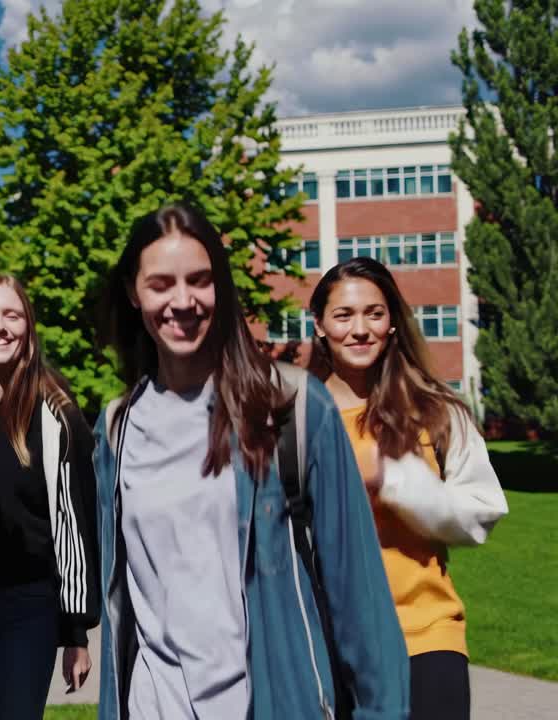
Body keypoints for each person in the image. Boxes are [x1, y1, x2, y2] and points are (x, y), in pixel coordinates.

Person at [93, 202, 409, 719]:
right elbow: (121, 610)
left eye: (200, 279)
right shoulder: (115, 430)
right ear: (133, 292)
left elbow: (361, 602)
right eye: (160, 284)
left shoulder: (293, 409)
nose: (183, 301)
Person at [309, 256, 508, 720]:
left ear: (393, 322)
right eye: (344, 315)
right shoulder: (296, 419)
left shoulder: (437, 412)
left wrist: (401, 486)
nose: (361, 329)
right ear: (319, 325)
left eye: (375, 314)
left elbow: (483, 510)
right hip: (329, 643)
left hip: (425, 636)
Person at [0, 274, 99, 719]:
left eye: (12, 315)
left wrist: (76, 633)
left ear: (28, 330)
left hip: (30, 606)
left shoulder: (57, 415)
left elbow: (73, 523)